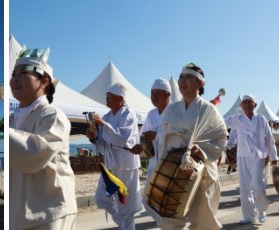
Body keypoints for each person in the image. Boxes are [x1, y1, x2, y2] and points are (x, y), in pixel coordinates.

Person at [8, 48, 77, 230]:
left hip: (48, 214)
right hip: (18, 213)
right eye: (14, 73)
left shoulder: (53, 116)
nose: (15, 78)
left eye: (23, 73)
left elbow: (34, 154)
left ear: (44, 81)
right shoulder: (10, 119)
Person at [157, 63, 228, 229]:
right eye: (181, 77)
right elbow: (164, 140)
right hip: (174, 169)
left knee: (203, 220)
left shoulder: (209, 110)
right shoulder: (172, 109)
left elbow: (221, 138)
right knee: (169, 218)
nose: (182, 81)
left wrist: (201, 150)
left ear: (200, 83)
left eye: (188, 77)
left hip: (201, 172)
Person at [87, 83, 141, 230]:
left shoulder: (128, 114)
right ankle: (123, 224)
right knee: (101, 198)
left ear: (120, 99)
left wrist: (103, 124)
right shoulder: (107, 116)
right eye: (107, 96)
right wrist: (94, 137)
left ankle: (126, 226)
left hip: (126, 164)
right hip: (110, 163)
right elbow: (103, 144)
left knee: (126, 203)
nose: (106, 99)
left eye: (109, 96)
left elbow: (121, 138)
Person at [223, 94, 278, 225]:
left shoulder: (261, 119)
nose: (247, 104)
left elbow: (269, 138)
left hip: (258, 156)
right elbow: (220, 121)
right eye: (244, 102)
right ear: (241, 106)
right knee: (244, 187)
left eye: (250, 102)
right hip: (242, 156)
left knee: (258, 185)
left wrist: (274, 156)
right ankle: (248, 216)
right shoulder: (237, 119)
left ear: (255, 105)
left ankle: (262, 210)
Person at [133, 78, 172, 225]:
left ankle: (168, 225)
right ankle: (164, 224)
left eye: (157, 93)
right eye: (152, 93)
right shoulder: (151, 114)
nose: (153, 97)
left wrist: (158, 136)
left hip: (170, 164)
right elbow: (143, 136)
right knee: (147, 199)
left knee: (167, 200)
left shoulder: (175, 111)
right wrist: (140, 146)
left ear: (168, 94)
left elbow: (181, 134)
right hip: (153, 164)